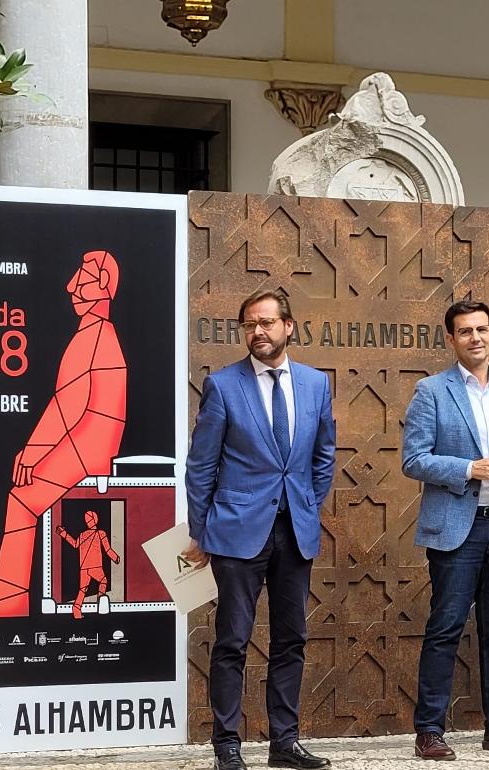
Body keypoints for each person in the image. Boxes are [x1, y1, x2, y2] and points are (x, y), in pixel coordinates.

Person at [183, 290, 336, 770]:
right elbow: (201, 466)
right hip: (236, 532)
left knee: (291, 639)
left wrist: (306, 505)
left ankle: (284, 743)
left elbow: (324, 456)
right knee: (232, 640)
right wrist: (202, 530)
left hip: (295, 530)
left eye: (267, 323)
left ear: (288, 326)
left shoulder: (315, 383)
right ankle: (226, 745)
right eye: (249, 324)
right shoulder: (223, 385)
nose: (258, 332)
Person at [402, 300, 489, 761]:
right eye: (465, 331)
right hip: (457, 530)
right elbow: (413, 459)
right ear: (451, 339)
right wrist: (468, 468)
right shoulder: (431, 391)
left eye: (482, 329)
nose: (475, 338)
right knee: (445, 628)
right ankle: (429, 730)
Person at [0, 250, 127, 619]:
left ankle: (10, 599)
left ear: (102, 285)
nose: (71, 286)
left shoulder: (93, 336)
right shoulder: (97, 334)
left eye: (82, 278)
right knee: (22, 493)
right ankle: (8, 598)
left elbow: (69, 404)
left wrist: (33, 452)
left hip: (88, 444)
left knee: (22, 498)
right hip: (86, 439)